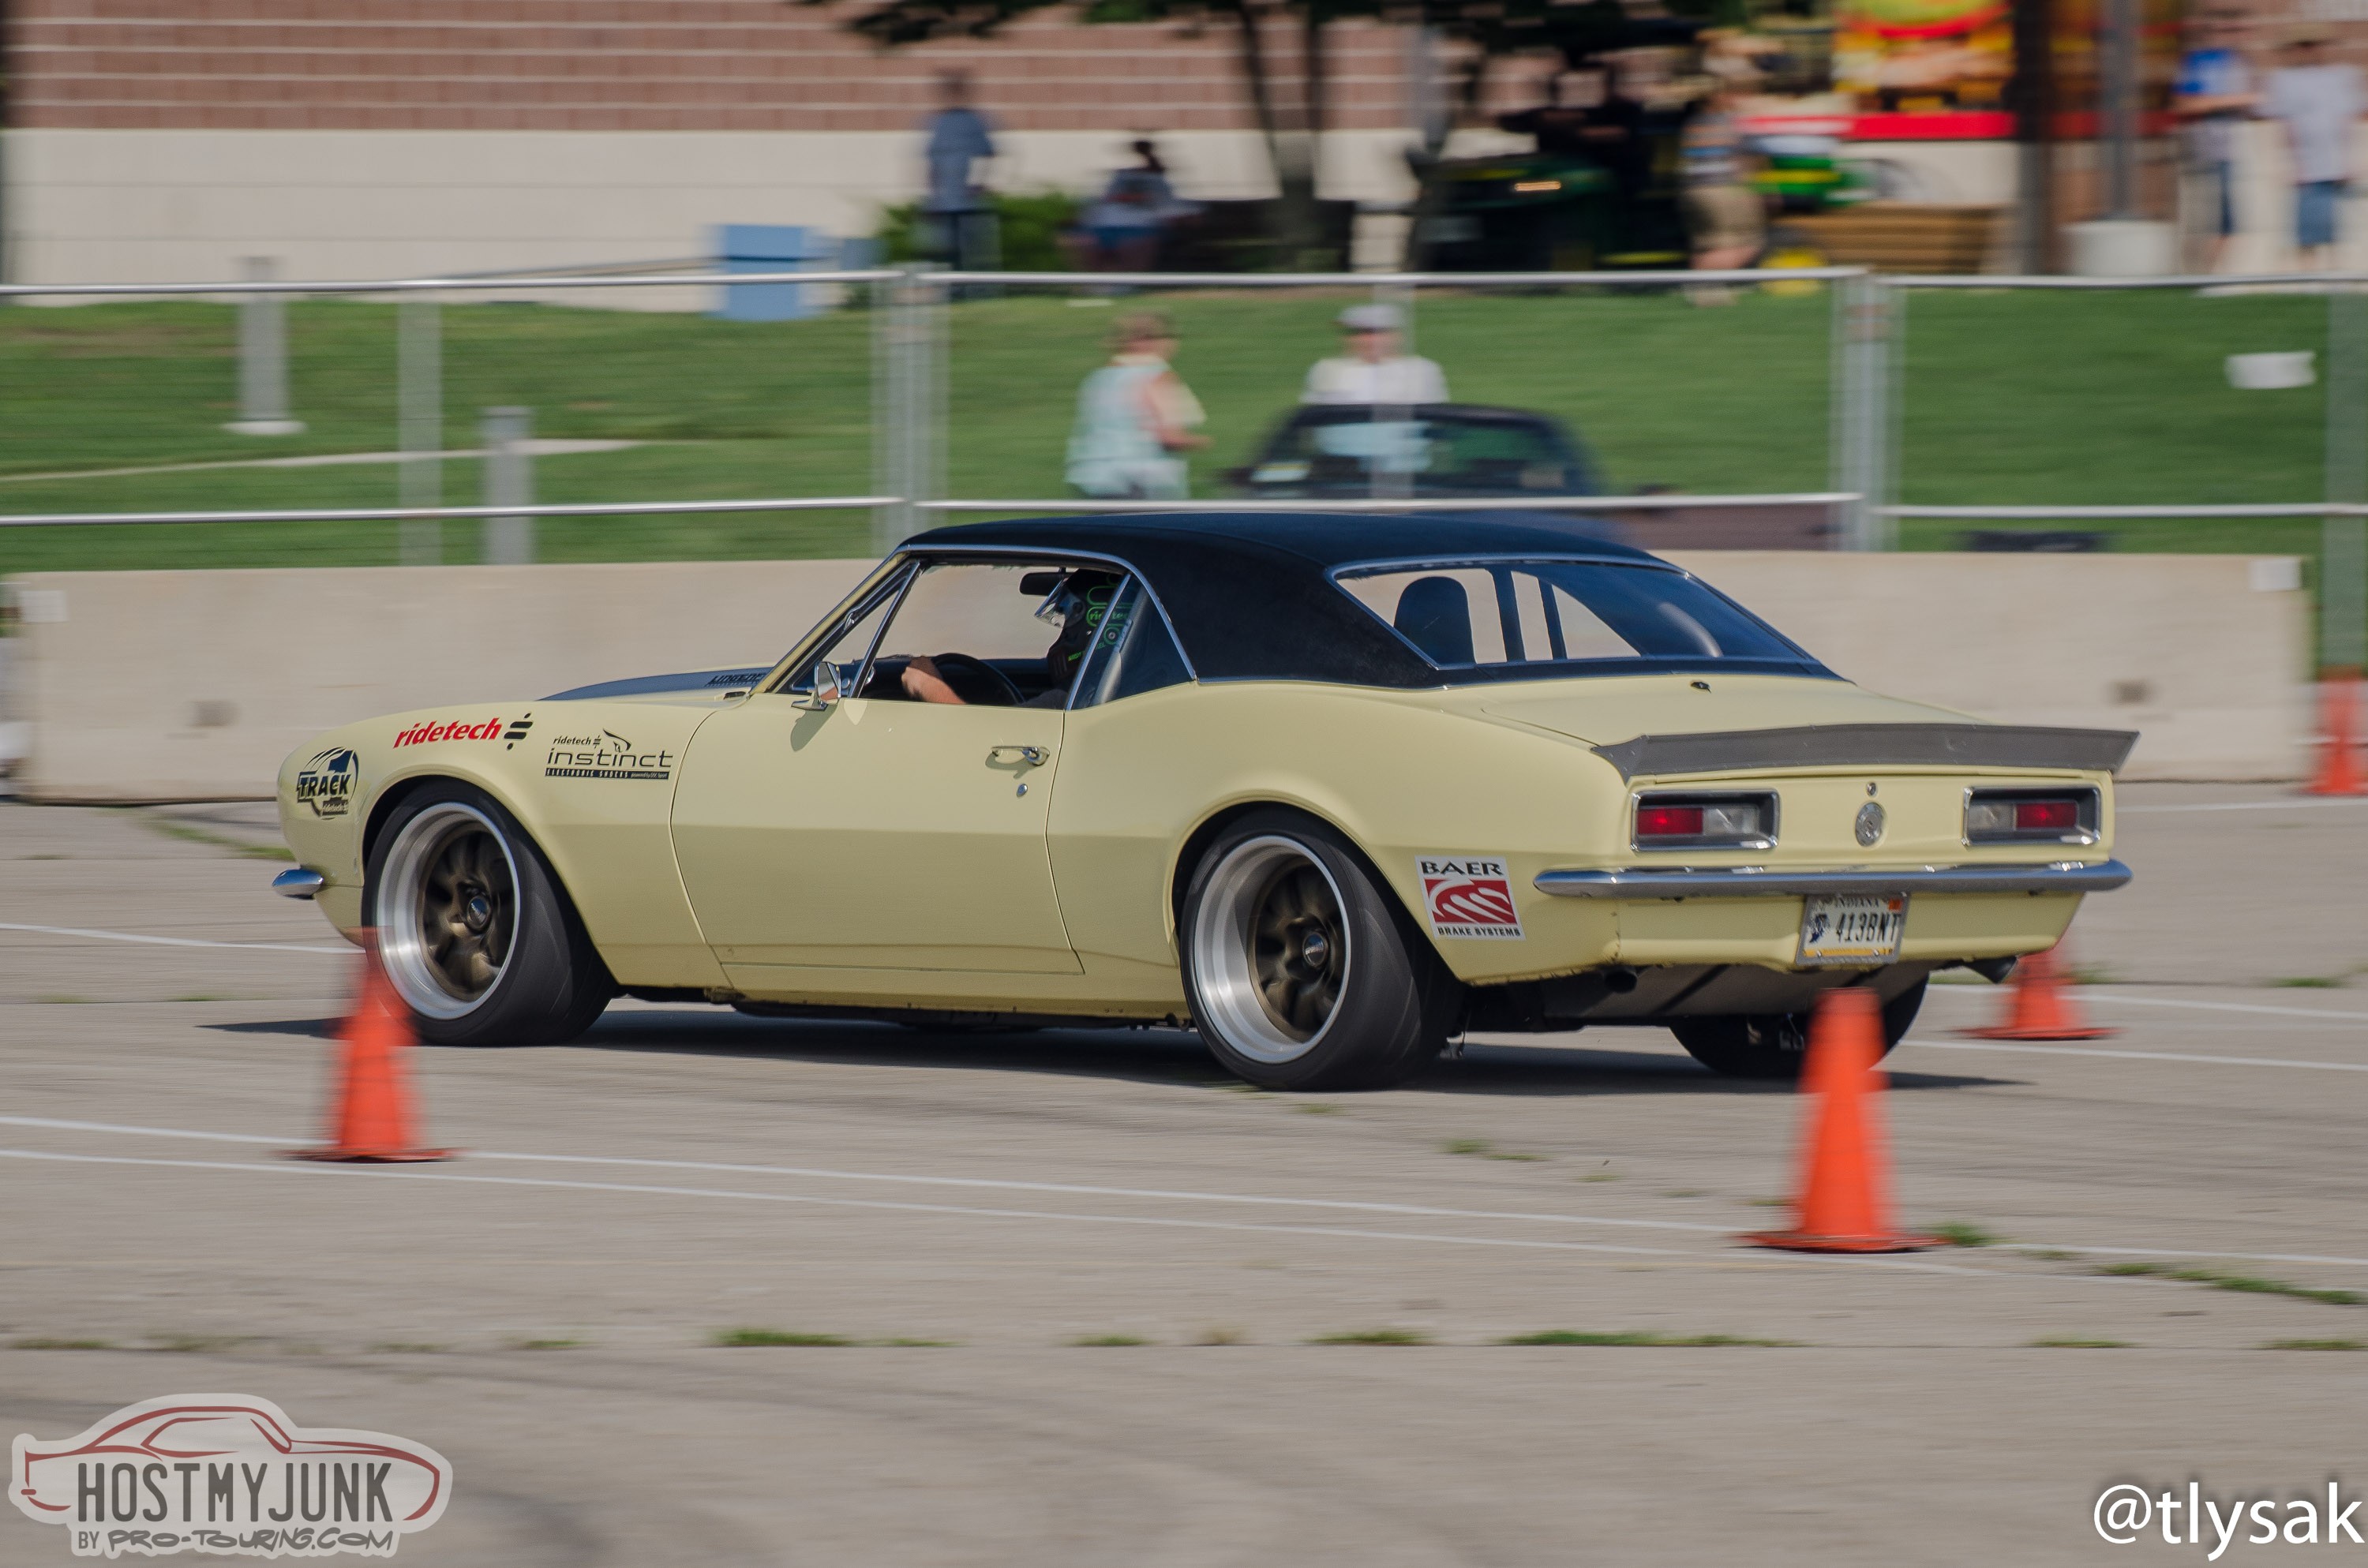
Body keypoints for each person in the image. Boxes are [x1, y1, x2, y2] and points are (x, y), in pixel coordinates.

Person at [901, 571, 1125, 706]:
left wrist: (928, 685)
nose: (1064, 632)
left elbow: (981, 739)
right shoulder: (1122, 691)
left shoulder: (1070, 701)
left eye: (1067, 620)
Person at [1063, 313, 1208, 500]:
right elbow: (1169, 437)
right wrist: (1200, 442)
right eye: (1167, 337)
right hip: (1140, 479)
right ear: (1143, 341)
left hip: (1092, 476)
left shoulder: (1098, 378)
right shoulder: (1156, 376)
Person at [2262, 30, 2367, 268]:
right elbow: (2283, 125)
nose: (2310, 51)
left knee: (2336, 231)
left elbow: (2348, 120)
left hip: (2335, 167)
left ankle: (2334, 279)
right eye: (2304, 45)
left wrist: (2349, 160)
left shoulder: (2342, 77)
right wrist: (2288, 163)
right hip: (2305, 170)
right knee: (2306, 233)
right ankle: (2307, 278)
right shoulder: (2284, 80)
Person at [2176, 9, 2257, 273]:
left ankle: (2215, 275)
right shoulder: (2197, 63)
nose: (2234, 36)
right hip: (2203, 151)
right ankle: (2204, 275)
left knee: (2228, 221)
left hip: (2231, 150)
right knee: (2206, 221)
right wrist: (2231, 100)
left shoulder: (2239, 63)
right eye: (2227, 30)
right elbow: (2186, 104)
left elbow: (2254, 103)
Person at [1680, 78, 1766, 303]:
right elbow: (1746, 161)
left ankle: (1706, 289)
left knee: (1709, 244)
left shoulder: (1694, 123)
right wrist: (1758, 191)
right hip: (1724, 189)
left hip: (1694, 191)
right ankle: (1704, 286)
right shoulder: (1733, 123)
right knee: (1745, 243)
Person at [1064, 140, 1192, 274]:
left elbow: (1168, 205)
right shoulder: (1120, 179)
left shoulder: (1155, 182)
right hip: (1105, 228)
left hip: (1139, 230)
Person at [920, 70, 999, 270]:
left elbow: (988, 154)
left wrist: (978, 184)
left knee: (972, 255)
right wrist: (932, 197)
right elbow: (932, 163)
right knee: (944, 254)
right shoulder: (937, 122)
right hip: (943, 203)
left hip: (969, 204)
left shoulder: (974, 121)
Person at [1300, 304, 1448, 406]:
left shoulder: (1421, 371)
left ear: (1396, 336)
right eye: (1354, 333)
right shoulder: (1326, 370)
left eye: (1372, 332)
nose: (1364, 339)